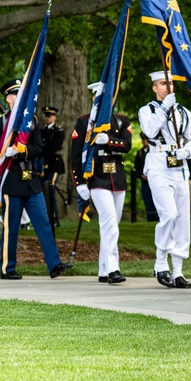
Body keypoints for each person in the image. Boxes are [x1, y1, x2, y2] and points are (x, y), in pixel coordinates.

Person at [0, 79, 72, 280]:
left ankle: (54, 264)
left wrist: (21, 151)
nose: (19, 97)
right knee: (12, 227)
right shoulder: (1, 122)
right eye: (15, 94)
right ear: (7, 98)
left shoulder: (31, 121)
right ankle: (8, 268)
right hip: (11, 181)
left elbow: (39, 149)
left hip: (31, 180)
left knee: (43, 223)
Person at [137, 71, 191, 288]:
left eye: (171, 83)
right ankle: (161, 262)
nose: (168, 87)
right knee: (169, 214)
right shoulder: (148, 110)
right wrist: (164, 109)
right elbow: (150, 130)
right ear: (155, 87)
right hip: (158, 163)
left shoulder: (184, 112)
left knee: (182, 219)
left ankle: (178, 271)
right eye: (163, 83)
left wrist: (188, 151)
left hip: (179, 165)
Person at [70, 82, 133, 284]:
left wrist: (109, 140)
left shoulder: (122, 121)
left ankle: (103, 269)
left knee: (112, 224)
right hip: (96, 177)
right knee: (108, 221)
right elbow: (75, 155)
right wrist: (79, 183)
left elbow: (127, 145)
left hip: (117, 177)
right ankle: (113, 268)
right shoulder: (84, 122)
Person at [40, 105, 65, 230]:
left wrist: (41, 149)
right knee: (43, 190)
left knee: (50, 188)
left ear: (54, 117)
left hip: (54, 164)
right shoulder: (41, 130)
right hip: (43, 164)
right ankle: (46, 217)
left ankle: (54, 218)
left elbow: (53, 147)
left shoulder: (58, 131)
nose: (47, 118)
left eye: (49, 116)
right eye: (45, 115)